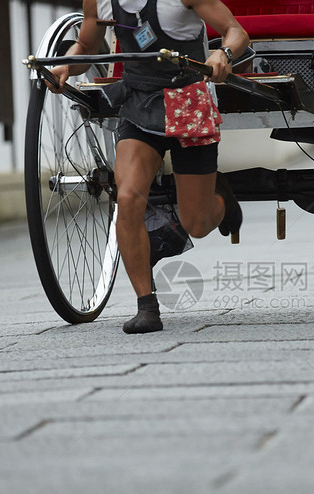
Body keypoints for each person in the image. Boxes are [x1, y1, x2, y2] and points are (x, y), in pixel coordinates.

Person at [47, 0, 249, 333]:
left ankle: (222, 201)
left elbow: (235, 32)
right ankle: (147, 306)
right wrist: (66, 65)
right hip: (139, 101)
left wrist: (222, 54)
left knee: (196, 223)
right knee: (126, 198)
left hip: (189, 102)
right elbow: (85, 45)